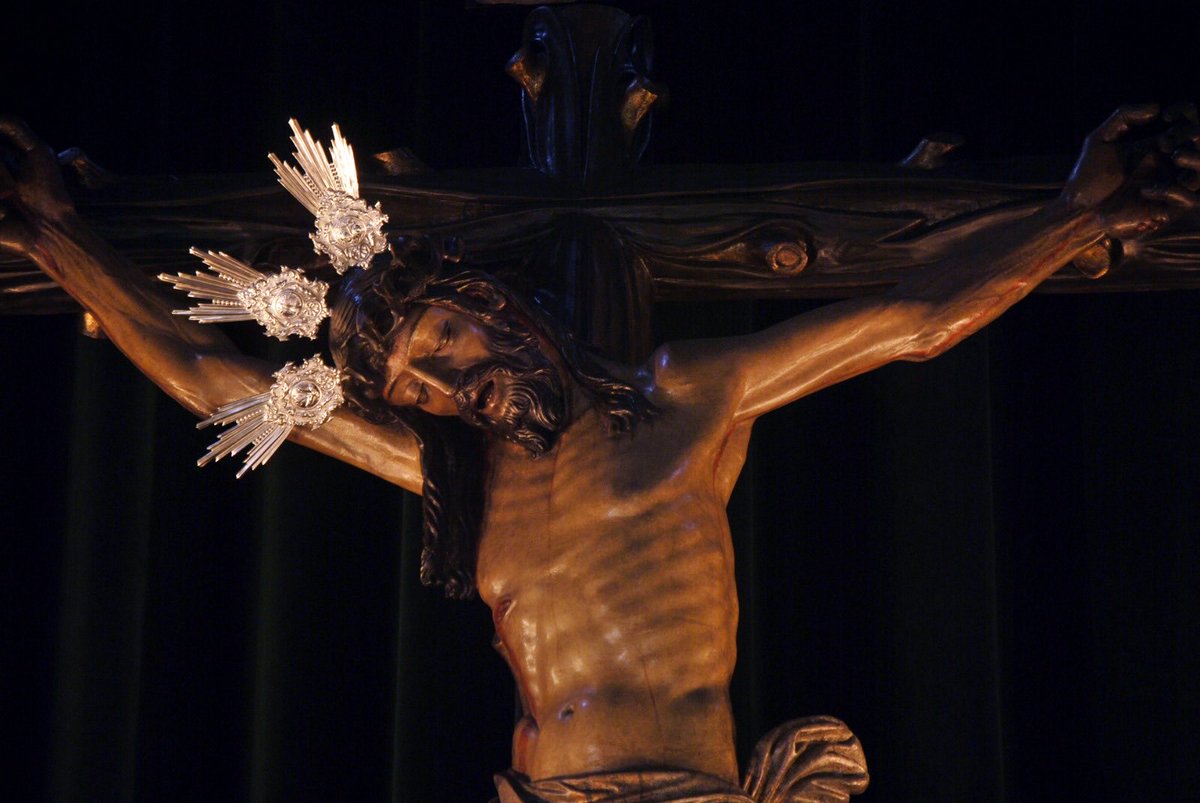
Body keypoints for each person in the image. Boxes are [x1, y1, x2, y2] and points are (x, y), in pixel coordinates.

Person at [1, 105, 1196, 801]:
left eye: (441, 341)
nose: (443, 384)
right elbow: (216, 377)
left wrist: (1079, 213)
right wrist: (57, 241)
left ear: (486, 302)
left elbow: (913, 320)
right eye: (414, 383)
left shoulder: (688, 394)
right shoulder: (457, 473)